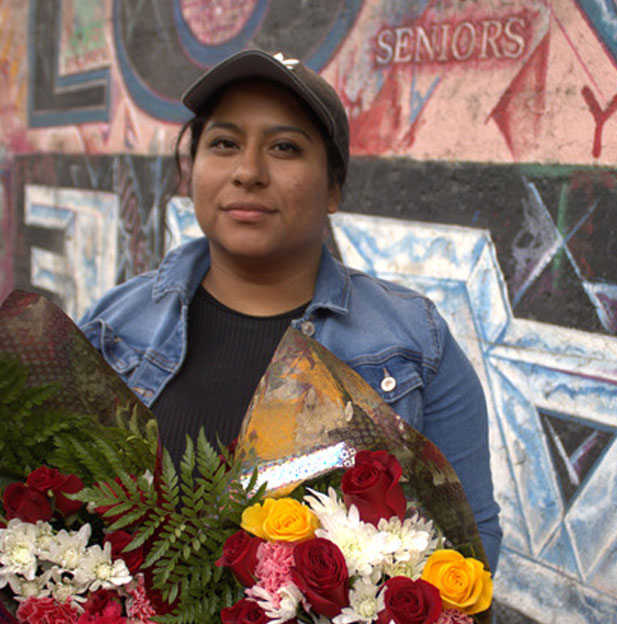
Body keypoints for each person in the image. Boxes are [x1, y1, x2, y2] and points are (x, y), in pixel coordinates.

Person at [77, 49, 501, 571]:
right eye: (225, 143)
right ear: (191, 173)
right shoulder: (112, 327)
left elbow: (470, 549)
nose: (248, 171)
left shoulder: (417, 345)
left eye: (284, 147)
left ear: (333, 188)